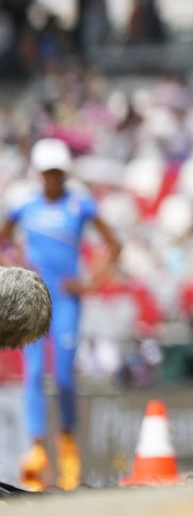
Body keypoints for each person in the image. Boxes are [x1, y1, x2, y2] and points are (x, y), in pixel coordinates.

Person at [3, 138, 122, 491]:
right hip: (34, 302)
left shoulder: (79, 205)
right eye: (47, 173)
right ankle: (36, 451)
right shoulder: (25, 208)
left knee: (66, 374)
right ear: (40, 175)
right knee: (35, 372)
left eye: (57, 172)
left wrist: (89, 282)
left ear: (64, 173)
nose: (52, 178)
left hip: (67, 301)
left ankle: (68, 449)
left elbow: (114, 245)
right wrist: (16, 271)